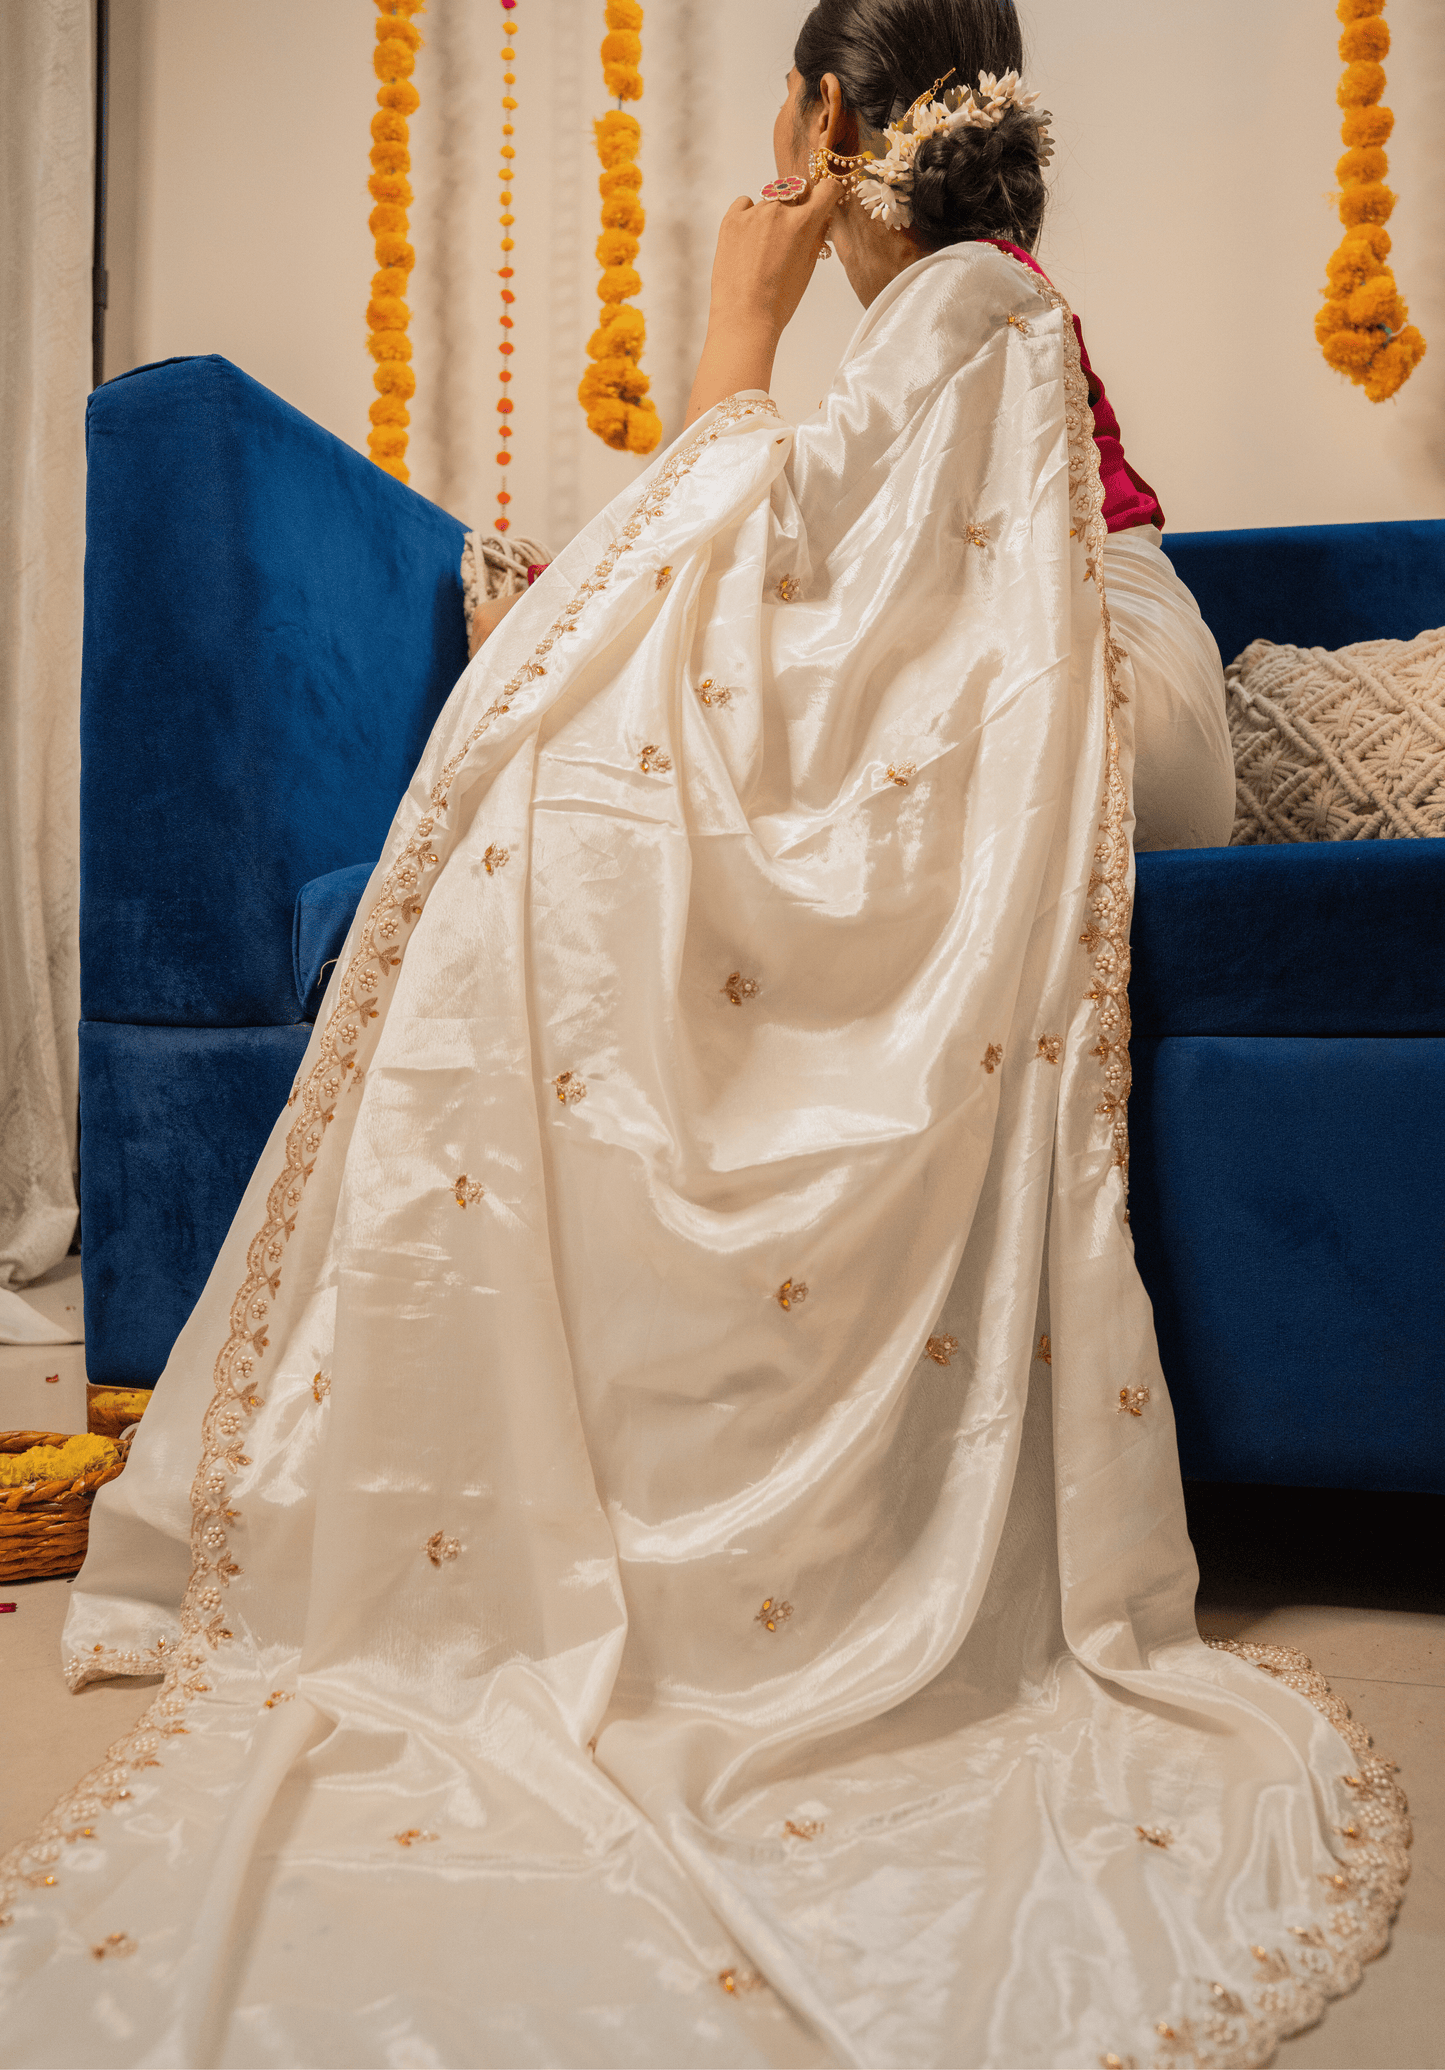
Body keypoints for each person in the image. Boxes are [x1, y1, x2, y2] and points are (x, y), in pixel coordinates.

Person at [0, 3, 1404, 2064]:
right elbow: (808, 586)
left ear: (824, 124)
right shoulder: (968, 314)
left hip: (1099, 702)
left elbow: (813, 606)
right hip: (1087, 676)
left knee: (571, 830)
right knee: (602, 800)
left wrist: (731, 337)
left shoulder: (961, 311)